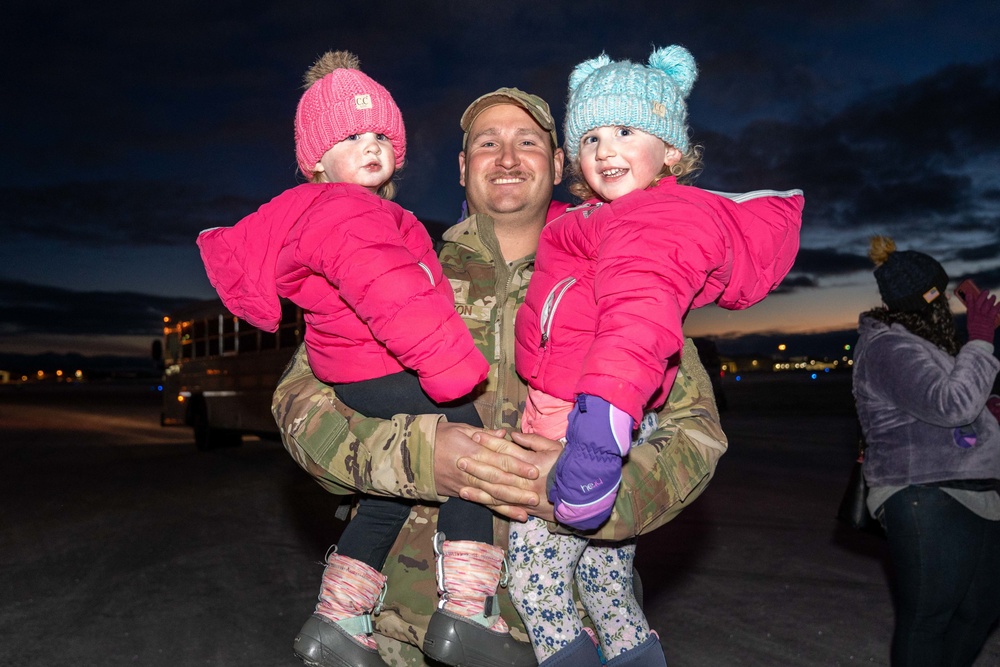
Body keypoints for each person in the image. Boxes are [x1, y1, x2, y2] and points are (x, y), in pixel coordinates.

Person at [272, 85, 730, 667]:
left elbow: (696, 432)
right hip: (408, 633)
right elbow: (300, 403)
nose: (508, 158)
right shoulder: (394, 261)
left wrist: (589, 492)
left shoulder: (630, 265)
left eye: (528, 142)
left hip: (573, 637)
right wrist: (418, 455)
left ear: (560, 163)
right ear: (463, 169)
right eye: (488, 144)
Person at [195, 51, 508, 667]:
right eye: (350, 137)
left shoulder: (350, 212)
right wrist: (455, 375)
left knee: (386, 499)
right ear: (315, 159)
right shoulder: (349, 213)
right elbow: (395, 297)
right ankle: (468, 608)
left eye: (380, 136)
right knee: (470, 448)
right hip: (380, 369)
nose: (371, 146)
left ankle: (338, 617)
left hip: (360, 373)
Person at [509, 46, 803, 667]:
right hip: (580, 410)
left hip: (588, 417)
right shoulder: (597, 221)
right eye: (589, 135)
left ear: (672, 149)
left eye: (625, 130)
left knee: (534, 583)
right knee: (606, 585)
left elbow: (635, 325)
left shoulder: (651, 221)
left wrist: (596, 437)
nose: (604, 148)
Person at [853, 235, 1000, 666]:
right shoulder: (886, 346)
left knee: (980, 610)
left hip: (977, 489)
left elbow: (962, 404)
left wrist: (989, 411)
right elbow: (949, 404)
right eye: (942, 294)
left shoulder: (926, 347)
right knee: (929, 618)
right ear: (929, 299)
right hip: (923, 492)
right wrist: (979, 339)